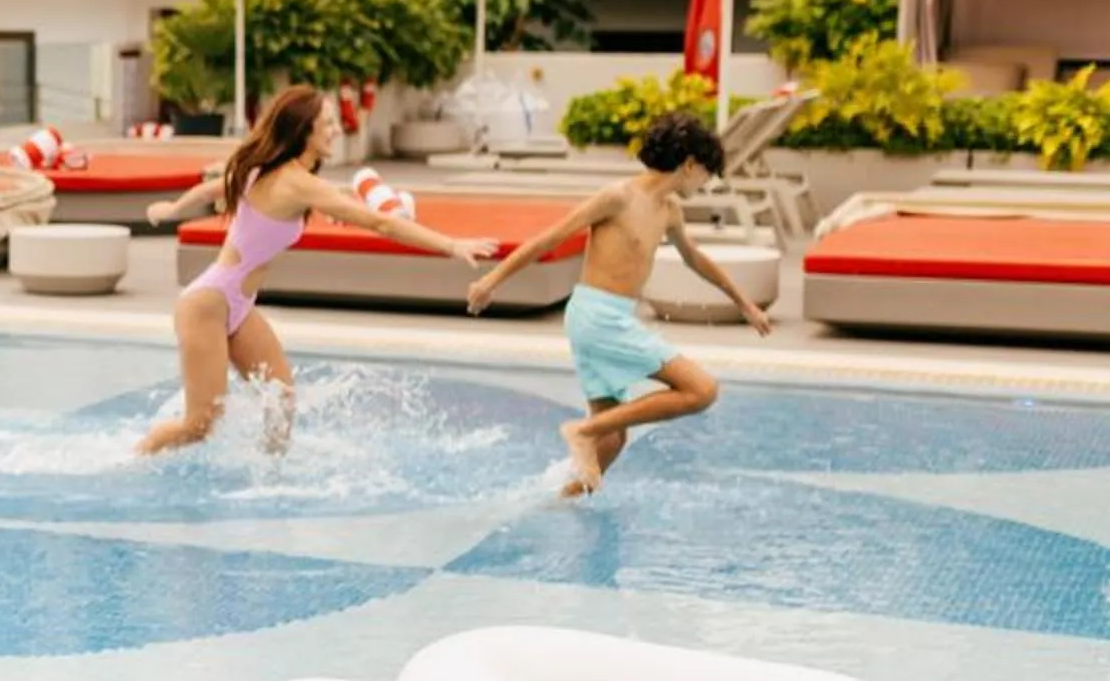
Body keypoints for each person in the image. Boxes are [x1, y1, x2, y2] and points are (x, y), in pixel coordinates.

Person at [138, 84, 497, 454]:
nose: (336, 130)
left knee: (281, 399)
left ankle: (269, 478)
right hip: (207, 305)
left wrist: (173, 207)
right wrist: (451, 245)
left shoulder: (271, 171)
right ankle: (131, 460)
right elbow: (382, 224)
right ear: (304, 130)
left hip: (237, 306)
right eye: (327, 123)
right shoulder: (297, 183)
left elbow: (215, 187)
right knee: (200, 424)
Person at [465, 111, 771, 495]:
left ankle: (558, 505)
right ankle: (581, 430)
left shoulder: (669, 211)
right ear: (690, 164)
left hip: (610, 318)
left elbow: (695, 259)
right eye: (707, 173)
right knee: (701, 390)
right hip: (596, 317)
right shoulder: (618, 197)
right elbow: (550, 238)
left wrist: (744, 303)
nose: (707, 183)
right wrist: (491, 281)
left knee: (612, 442)